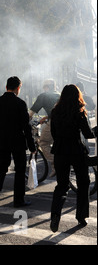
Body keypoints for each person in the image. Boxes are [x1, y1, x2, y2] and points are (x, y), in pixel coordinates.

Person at [49, 84, 96, 232]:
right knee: (83, 183)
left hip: (60, 151)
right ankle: (81, 216)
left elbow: (54, 133)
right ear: (78, 96)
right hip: (76, 151)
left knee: (61, 186)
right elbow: (88, 134)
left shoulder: (55, 111)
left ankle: (55, 216)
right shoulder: (80, 111)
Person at [0, 76, 36, 209]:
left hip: (2, 142)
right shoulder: (20, 103)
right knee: (20, 171)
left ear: (6, 87)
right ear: (18, 88)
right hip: (18, 142)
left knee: (1, 168)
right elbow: (26, 127)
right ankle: (18, 200)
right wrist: (32, 146)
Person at [29, 79, 60, 177]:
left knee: (43, 142)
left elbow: (30, 113)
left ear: (45, 87)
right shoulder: (59, 95)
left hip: (54, 122)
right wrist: (46, 117)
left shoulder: (43, 96)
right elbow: (56, 111)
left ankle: (56, 164)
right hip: (66, 123)